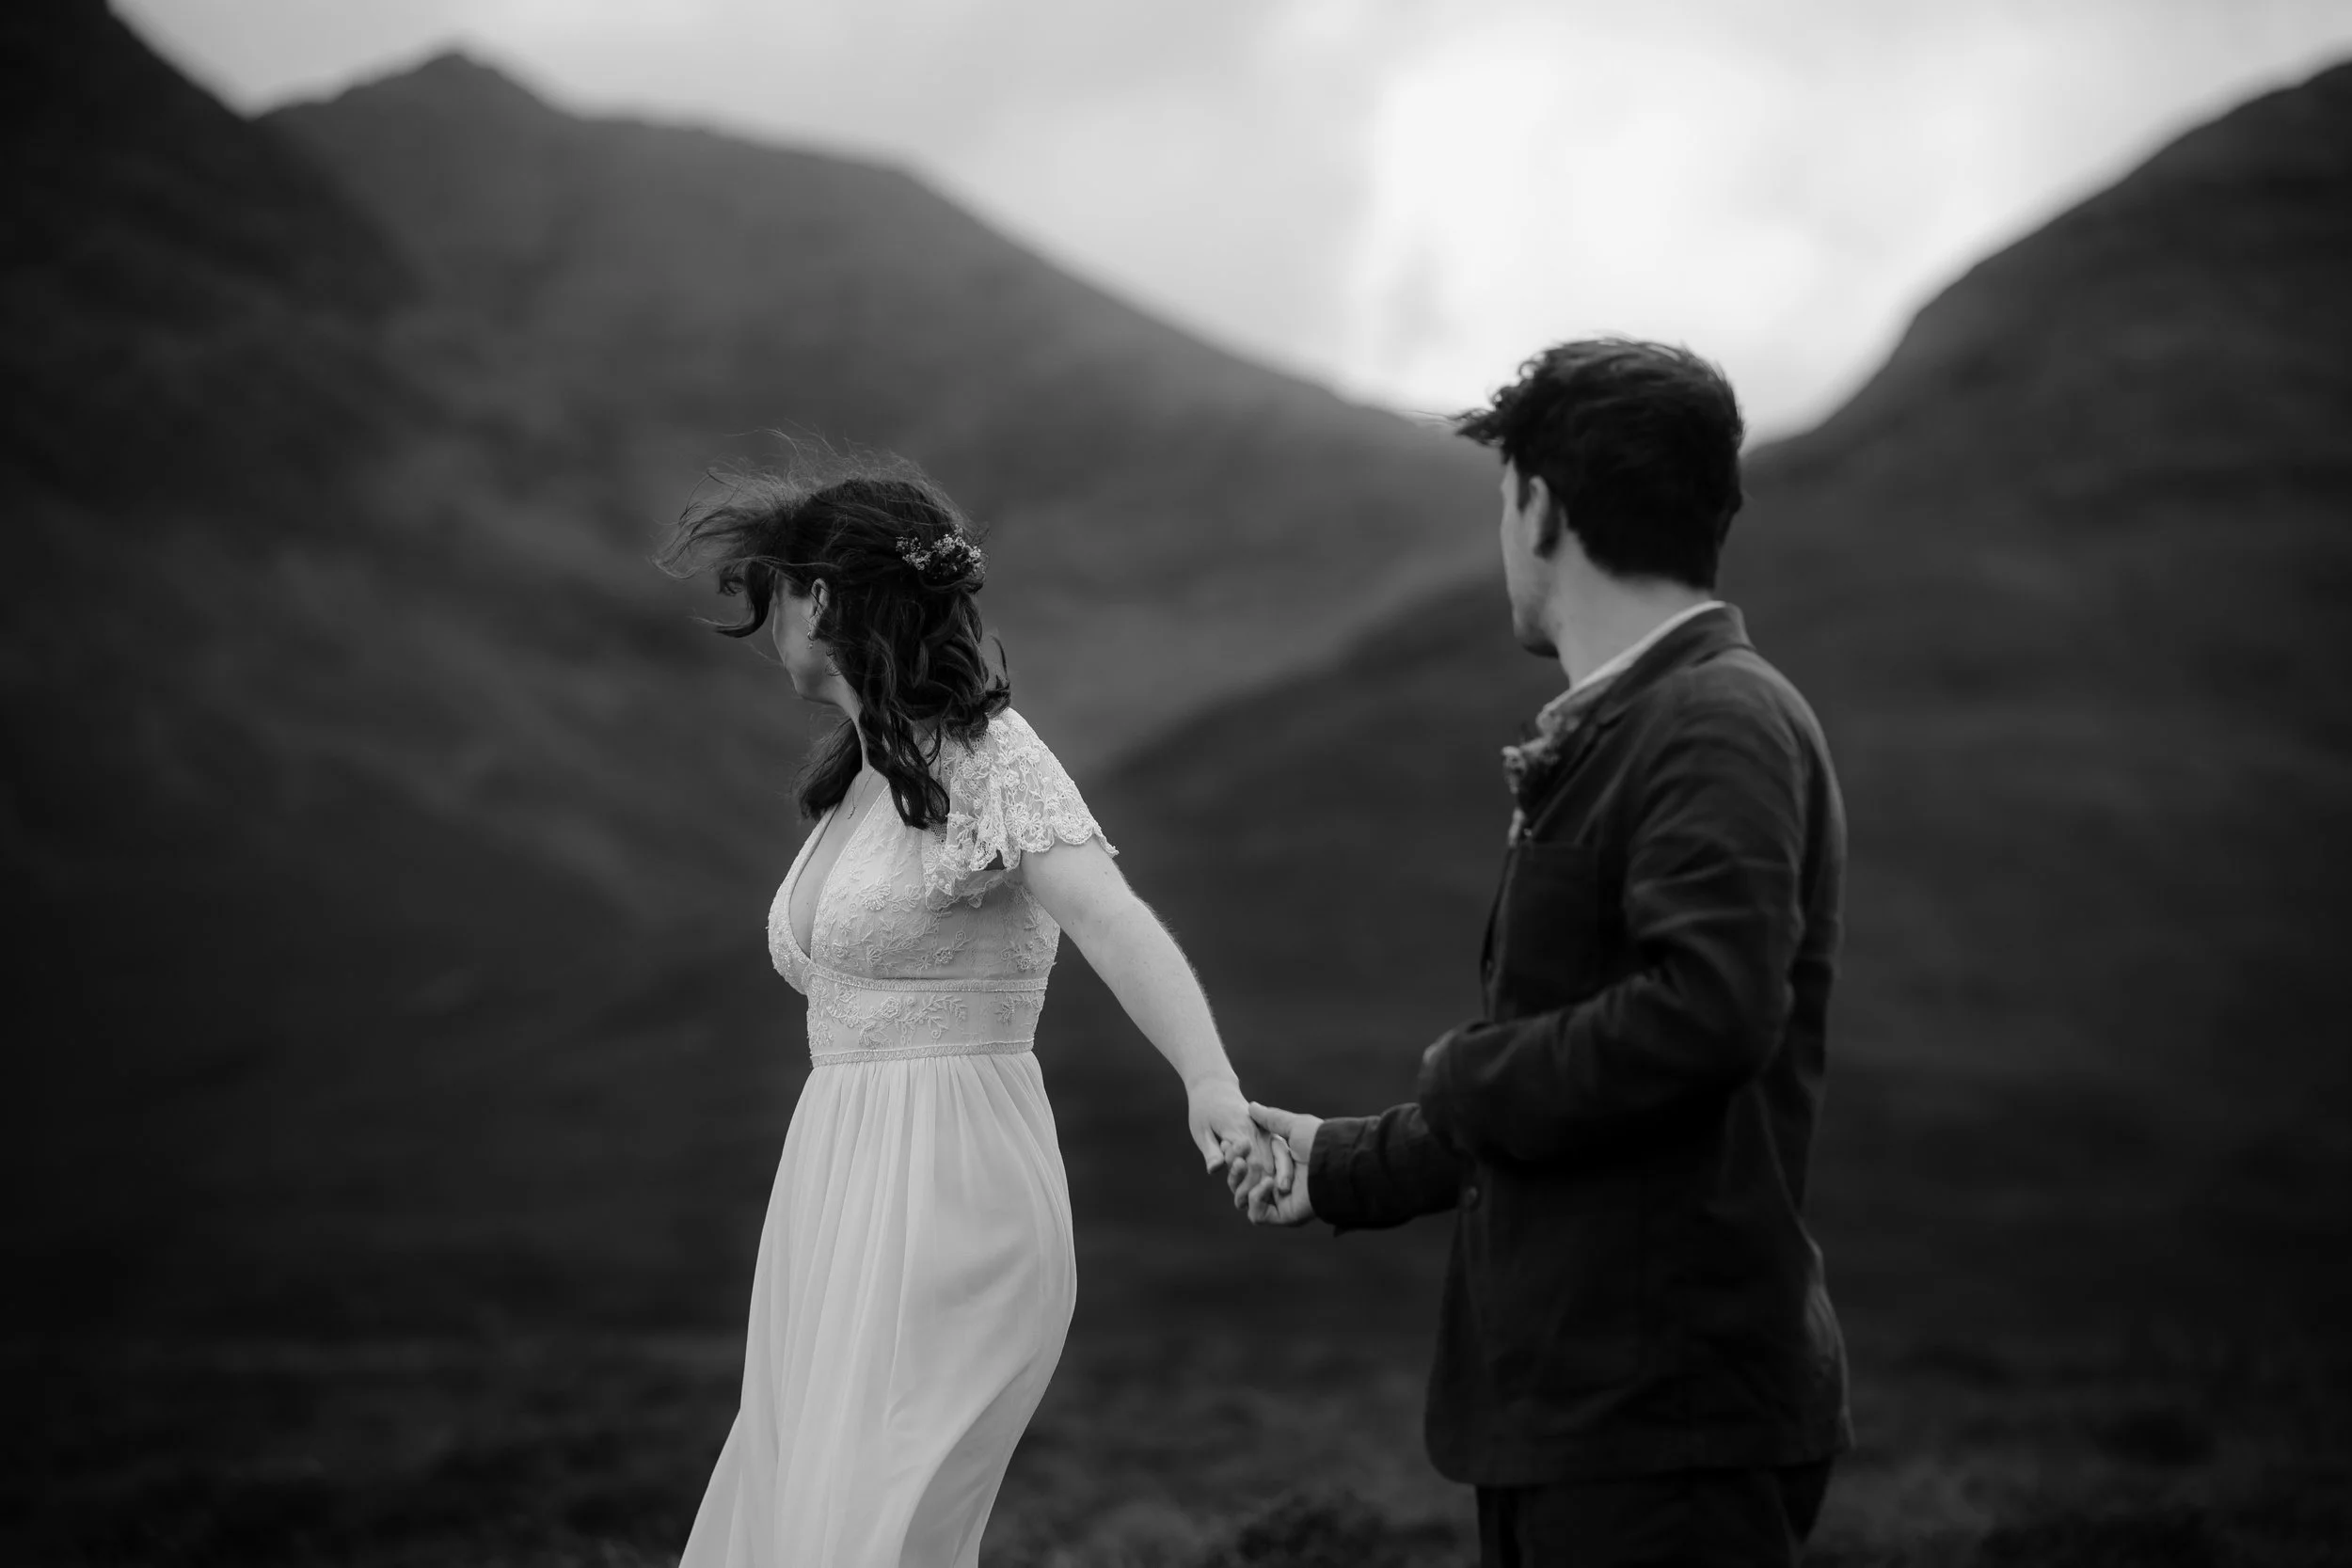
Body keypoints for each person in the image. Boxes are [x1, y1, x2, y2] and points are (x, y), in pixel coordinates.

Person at [1240, 341, 1851, 1567]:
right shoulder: (1650, 717)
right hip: (1581, 1413)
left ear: (1538, 507)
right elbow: (1577, 1078)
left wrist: (1461, 1072)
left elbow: (1707, 1012)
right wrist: (1345, 1164)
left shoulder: (1715, 721)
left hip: (1661, 1422)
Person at [660, 460, 1284, 1568]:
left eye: (776, 594)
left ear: (822, 598)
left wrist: (1209, 1080)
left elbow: (1108, 916)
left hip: (951, 1178)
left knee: (880, 1520)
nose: (770, 628)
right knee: (803, 1501)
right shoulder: (862, 774)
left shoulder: (990, 757)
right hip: (834, 1184)